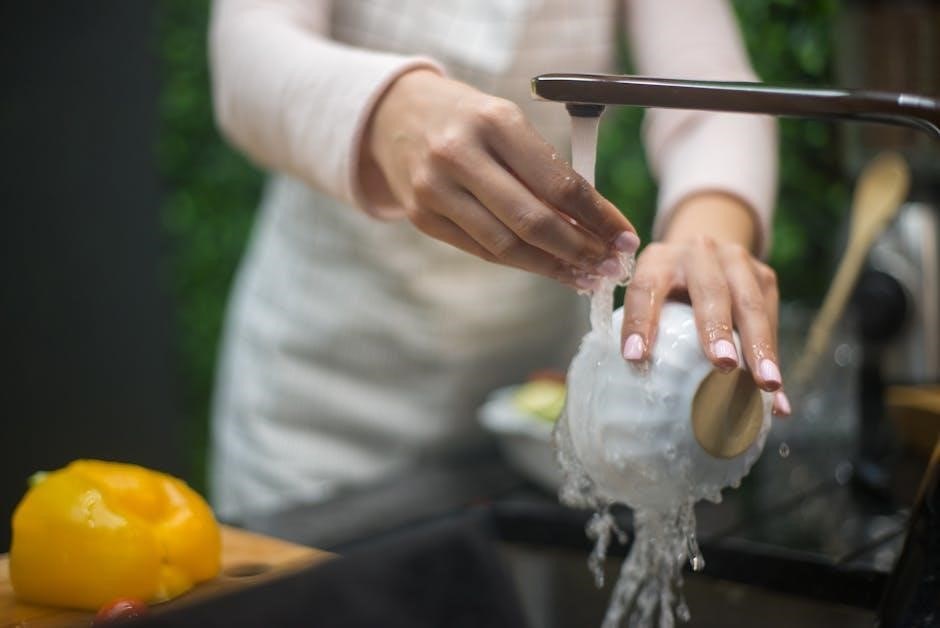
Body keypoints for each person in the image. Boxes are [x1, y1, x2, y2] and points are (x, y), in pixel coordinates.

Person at [208, 0, 789, 521]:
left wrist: (708, 237)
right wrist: (392, 109)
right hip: (323, 406)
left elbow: (712, 96)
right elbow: (246, 53)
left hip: (538, 408)